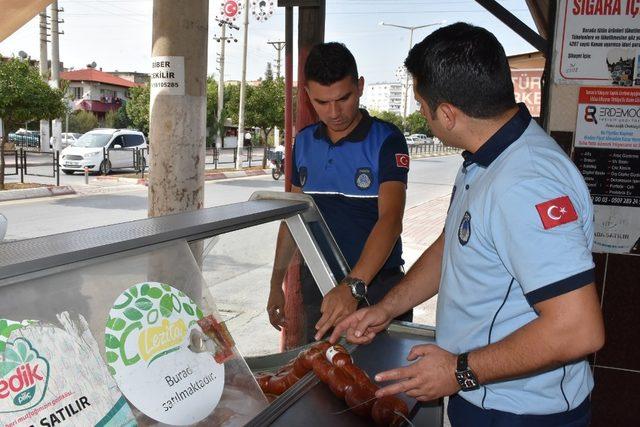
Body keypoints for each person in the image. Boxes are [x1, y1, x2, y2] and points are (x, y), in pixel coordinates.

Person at [330, 23, 604, 426]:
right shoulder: (485, 157)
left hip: (520, 411)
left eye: (422, 104)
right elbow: (452, 248)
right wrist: (387, 308)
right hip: (481, 394)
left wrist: (458, 370)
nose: (421, 114)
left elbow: (577, 329)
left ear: (447, 113)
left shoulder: (527, 183)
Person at [267, 42, 412, 343]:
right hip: (319, 287)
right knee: (322, 378)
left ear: (359, 87)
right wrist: (275, 284)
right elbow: (292, 219)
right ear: (307, 95)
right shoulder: (304, 143)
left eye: (343, 98)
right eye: (322, 102)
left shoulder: (386, 140)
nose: (334, 112)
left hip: (376, 289)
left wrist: (353, 287)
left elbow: (391, 219)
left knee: (378, 383)